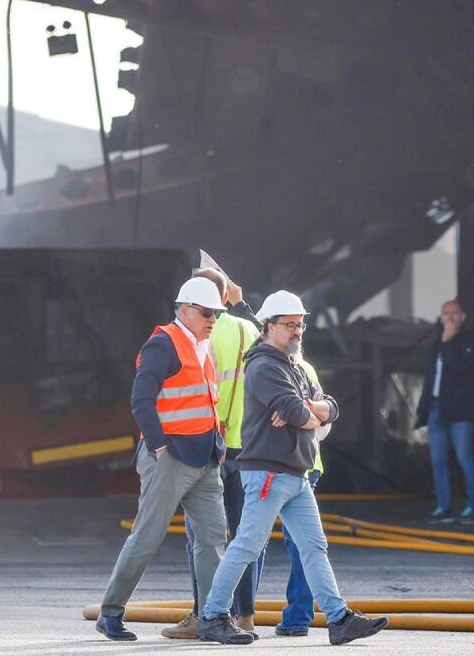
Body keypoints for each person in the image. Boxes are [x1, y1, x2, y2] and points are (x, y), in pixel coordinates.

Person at [195, 290, 388, 646]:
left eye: (300, 325)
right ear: (269, 326)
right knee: (247, 545)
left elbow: (330, 407)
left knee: (314, 547)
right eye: (289, 324)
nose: (297, 330)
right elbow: (301, 412)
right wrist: (308, 411)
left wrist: (308, 410)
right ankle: (212, 616)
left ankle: (338, 619)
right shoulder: (264, 366)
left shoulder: (294, 365)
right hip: (269, 472)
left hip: (296, 473)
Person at [95, 277, 229, 642]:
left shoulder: (202, 347)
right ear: (184, 310)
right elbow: (141, 401)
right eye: (207, 313)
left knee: (213, 539)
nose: (213, 320)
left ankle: (212, 617)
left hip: (204, 457)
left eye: (216, 314)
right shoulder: (163, 344)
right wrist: (158, 447)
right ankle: (110, 613)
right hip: (170, 457)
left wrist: (217, 444)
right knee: (147, 536)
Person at [163, 268, 265, 640]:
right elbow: (276, 342)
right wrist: (242, 303)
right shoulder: (248, 329)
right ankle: (246, 614)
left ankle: (202, 615)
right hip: (248, 445)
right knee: (244, 536)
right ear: (225, 297)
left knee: (203, 539)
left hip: (209, 446)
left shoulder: (196, 335)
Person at [274, 355, 332, 637]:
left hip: (274, 466)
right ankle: (298, 617)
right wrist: (306, 420)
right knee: (304, 545)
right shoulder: (304, 368)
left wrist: (295, 418)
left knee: (248, 541)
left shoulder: (263, 368)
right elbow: (322, 424)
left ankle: (234, 614)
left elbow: (325, 420)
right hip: (302, 465)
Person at [415, 299, 474, 525]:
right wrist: (423, 407)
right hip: (436, 408)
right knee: (438, 461)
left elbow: (460, 367)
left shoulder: (469, 341)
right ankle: (443, 507)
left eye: (454, 312)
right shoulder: (437, 342)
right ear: (441, 318)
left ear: (463, 316)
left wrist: (448, 342)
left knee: (465, 459)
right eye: (446, 313)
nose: (450, 317)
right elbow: (430, 378)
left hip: (460, 411)